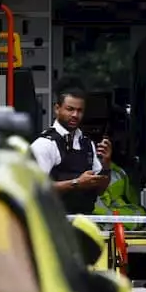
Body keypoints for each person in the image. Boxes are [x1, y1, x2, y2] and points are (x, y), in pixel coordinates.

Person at [30, 85, 112, 214]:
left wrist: (106, 164)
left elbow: (100, 190)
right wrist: (76, 183)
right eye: (70, 109)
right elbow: (36, 189)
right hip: (55, 223)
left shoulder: (87, 144)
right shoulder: (45, 144)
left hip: (85, 222)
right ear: (57, 109)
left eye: (80, 111)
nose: (75, 115)